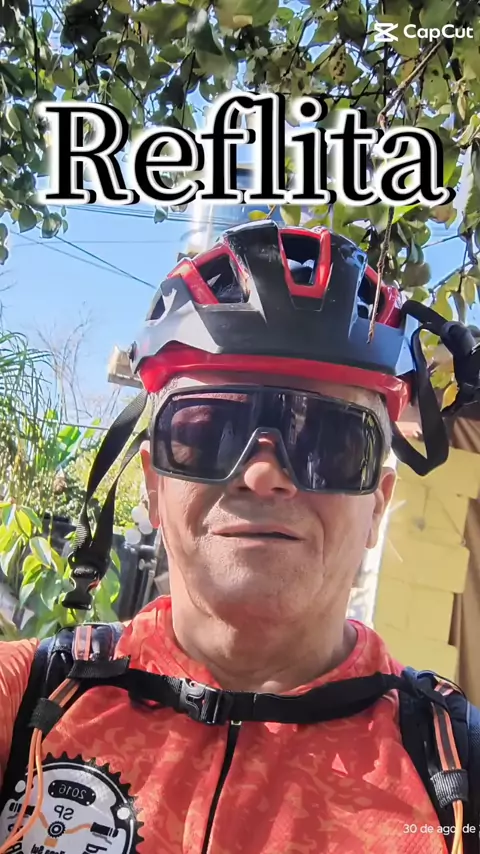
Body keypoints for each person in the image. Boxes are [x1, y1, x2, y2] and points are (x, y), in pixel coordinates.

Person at [0, 220, 478, 854]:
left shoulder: (457, 769)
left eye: (328, 442)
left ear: (378, 505)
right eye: (208, 431)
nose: (262, 475)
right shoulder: (28, 697)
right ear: (153, 486)